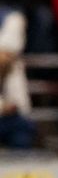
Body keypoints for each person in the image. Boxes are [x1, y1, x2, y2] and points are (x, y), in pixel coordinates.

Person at [0, 10, 34, 148]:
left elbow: (22, 105)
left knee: (22, 127)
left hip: (9, 120)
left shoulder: (14, 67)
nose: (6, 56)